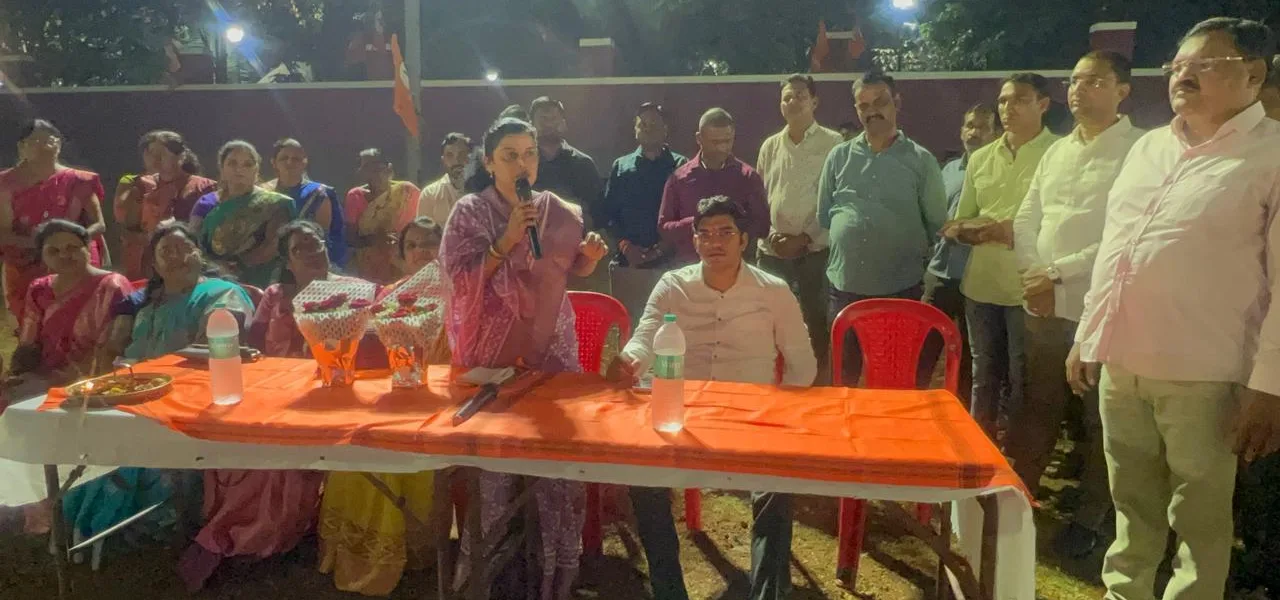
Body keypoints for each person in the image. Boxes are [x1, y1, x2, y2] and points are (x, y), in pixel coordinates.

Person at [1067, 18, 1280, 599]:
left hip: (1204, 373)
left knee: (1199, 521)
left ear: (1253, 74)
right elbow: (1116, 248)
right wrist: (1088, 335)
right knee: (1131, 506)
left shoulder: (1271, 154)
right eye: (1176, 66)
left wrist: (1269, 384)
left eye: (1203, 64)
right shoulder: (1151, 147)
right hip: (1123, 363)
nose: (1182, 75)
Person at [608, 196, 817, 600]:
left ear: (744, 240)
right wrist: (629, 362)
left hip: (749, 417)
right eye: (704, 234)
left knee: (778, 479)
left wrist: (779, 417)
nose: (714, 242)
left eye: (725, 233)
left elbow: (802, 366)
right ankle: (669, 590)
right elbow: (645, 339)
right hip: (682, 414)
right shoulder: (673, 285)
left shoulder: (773, 291)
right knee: (642, 477)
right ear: (694, 241)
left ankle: (767, 592)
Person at [440, 117, 608, 599]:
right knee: (496, 475)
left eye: (529, 153)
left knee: (555, 466)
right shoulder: (469, 212)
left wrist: (588, 259)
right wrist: (505, 241)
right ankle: (488, 581)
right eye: (509, 155)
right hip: (493, 356)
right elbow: (458, 282)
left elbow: (561, 269)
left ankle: (553, 578)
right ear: (489, 162)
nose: (521, 164)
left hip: (551, 346)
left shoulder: (556, 209)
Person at [1006, 51, 1143, 557]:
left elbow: (1127, 232)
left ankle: (1091, 520)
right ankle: (1017, 501)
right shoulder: (1058, 151)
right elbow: (1027, 218)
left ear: (1122, 90)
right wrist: (1034, 276)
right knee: (1036, 408)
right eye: (1074, 80)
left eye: (1093, 81)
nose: (1078, 90)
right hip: (1043, 305)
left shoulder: (1139, 150)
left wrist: (1056, 273)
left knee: (1099, 420)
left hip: (1100, 309)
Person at [64, 222, 253, 556]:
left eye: (184, 248)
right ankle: (81, 520)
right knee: (81, 432)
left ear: (199, 254)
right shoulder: (146, 303)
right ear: (155, 263)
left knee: (130, 447)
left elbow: (215, 348)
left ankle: (142, 522)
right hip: (127, 393)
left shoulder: (222, 293)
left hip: (186, 398)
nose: (176, 256)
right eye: (166, 251)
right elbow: (111, 348)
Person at [317, 217, 447, 596]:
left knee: (390, 445)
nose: (421, 252)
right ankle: (358, 550)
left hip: (439, 401)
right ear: (401, 256)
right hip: (391, 394)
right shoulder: (388, 297)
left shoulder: (460, 295)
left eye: (429, 243)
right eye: (413, 245)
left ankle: (406, 548)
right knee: (359, 438)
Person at [942, 73, 1059, 438]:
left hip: (1030, 287)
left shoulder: (1059, 153)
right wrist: (970, 230)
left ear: (1043, 105)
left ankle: (1018, 454)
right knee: (983, 373)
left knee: (1024, 377)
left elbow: (1059, 222)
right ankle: (979, 445)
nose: (1008, 108)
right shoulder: (981, 158)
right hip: (982, 283)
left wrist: (1010, 230)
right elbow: (961, 218)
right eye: (1004, 101)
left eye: (1020, 100)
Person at [819, 72, 947, 385]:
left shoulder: (921, 160)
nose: (871, 111)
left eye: (880, 102)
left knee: (894, 379)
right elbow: (825, 215)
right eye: (863, 105)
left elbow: (936, 222)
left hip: (899, 289)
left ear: (897, 103)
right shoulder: (838, 156)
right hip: (844, 287)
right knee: (843, 379)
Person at [757, 74, 844, 367]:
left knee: (815, 322)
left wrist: (805, 237)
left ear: (814, 102)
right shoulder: (770, 146)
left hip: (814, 253)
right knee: (769, 321)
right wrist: (771, 235)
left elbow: (836, 198)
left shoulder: (833, 143)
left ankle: (816, 381)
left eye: (800, 96)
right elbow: (761, 196)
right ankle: (773, 380)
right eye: (787, 97)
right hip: (772, 252)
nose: (793, 102)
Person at [920, 104, 1002, 402]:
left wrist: (963, 228)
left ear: (996, 133)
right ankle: (909, 406)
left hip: (976, 277)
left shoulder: (999, 171)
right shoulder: (949, 170)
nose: (973, 133)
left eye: (982, 127)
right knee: (923, 346)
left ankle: (963, 413)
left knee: (971, 356)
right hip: (941, 272)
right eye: (969, 126)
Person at [0, 119, 109, 321]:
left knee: (80, 322)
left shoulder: (79, 180)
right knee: (31, 325)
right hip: (25, 262)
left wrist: (68, 245)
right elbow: (3, 233)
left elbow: (99, 224)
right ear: (21, 147)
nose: (44, 147)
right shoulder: (5, 184)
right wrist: (41, 245)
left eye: (50, 141)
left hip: (74, 259)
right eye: (36, 142)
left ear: (59, 145)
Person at [8, 220, 133, 385]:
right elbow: (28, 344)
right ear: (43, 257)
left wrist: (63, 380)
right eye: (53, 251)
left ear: (88, 249)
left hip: (95, 378)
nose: (64, 255)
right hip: (41, 378)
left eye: (72, 248)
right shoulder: (39, 289)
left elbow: (112, 348)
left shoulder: (111, 286)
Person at [598, 102, 688, 324]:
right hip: (629, 263)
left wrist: (662, 248)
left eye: (654, 124)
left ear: (665, 129)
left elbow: (686, 214)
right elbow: (608, 214)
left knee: (669, 326)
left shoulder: (680, 166)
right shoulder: (621, 166)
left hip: (670, 264)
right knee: (629, 325)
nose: (647, 128)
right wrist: (625, 246)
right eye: (642, 124)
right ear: (635, 129)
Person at [658, 108, 770, 265]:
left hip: (735, 269)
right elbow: (664, 228)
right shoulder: (679, 179)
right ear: (699, 138)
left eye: (727, 141)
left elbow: (763, 226)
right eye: (715, 142)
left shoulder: (748, 177)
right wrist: (697, 223)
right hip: (690, 269)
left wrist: (729, 227)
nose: (722, 148)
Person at [189, 140, 297, 289]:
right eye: (232, 163)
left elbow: (273, 245)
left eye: (248, 164)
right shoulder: (206, 203)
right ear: (222, 168)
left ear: (256, 170)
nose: (239, 169)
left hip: (259, 281)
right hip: (212, 279)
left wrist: (236, 267)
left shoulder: (274, 204)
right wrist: (217, 268)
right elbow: (192, 243)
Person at [114, 130, 217, 280]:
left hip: (188, 262)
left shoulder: (205, 187)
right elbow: (126, 226)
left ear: (181, 156)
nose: (154, 159)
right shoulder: (140, 185)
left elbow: (212, 231)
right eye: (149, 153)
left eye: (161, 154)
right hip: (147, 264)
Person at [265, 138, 346, 267]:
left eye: (296, 159)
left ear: (304, 162)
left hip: (307, 262)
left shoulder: (318, 194)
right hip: (266, 263)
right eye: (284, 158)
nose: (290, 162)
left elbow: (322, 237)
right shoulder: (263, 192)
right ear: (274, 162)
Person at [344, 148, 420, 285]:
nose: (375, 173)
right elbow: (350, 239)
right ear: (361, 172)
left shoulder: (407, 192)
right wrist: (374, 239)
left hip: (405, 264)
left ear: (389, 168)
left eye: (378, 166)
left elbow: (422, 227)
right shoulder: (355, 196)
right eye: (368, 168)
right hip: (370, 270)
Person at [529, 96, 603, 228]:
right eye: (543, 119)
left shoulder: (583, 164)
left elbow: (598, 212)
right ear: (531, 125)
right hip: (529, 237)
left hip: (575, 238)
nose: (548, 124)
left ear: (563, 123)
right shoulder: (522, 165)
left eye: (553, 119)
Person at [418, 132, 472, 226]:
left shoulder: (483, 191)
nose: (456, 161)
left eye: (461, 154)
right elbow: (423, 233)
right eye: (450, 155)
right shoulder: (430, 194)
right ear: (443, 160)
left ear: (469, 157)